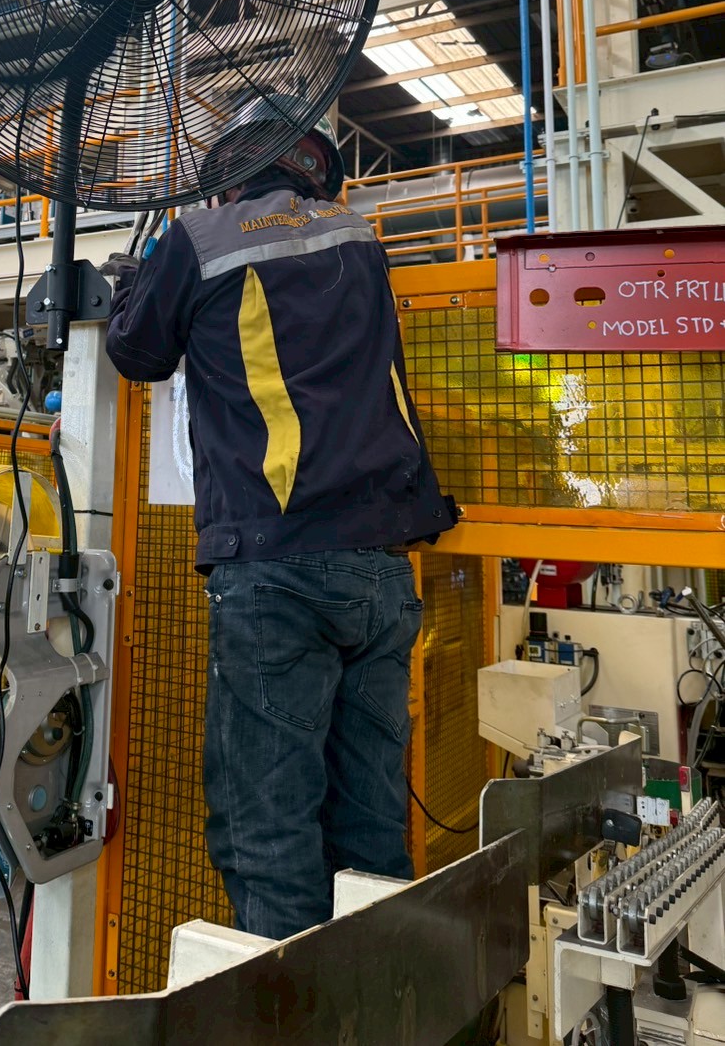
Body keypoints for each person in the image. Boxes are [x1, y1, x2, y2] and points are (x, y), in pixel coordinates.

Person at [103, 98, 456, 941]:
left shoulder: (201, 236)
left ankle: (289, 1002)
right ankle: (382, 996)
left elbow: (136, 351)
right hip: (380, 570)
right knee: (370, 822)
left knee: (267, 833)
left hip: (276, 567)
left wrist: (133, 284)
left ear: (229, 170)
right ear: (314, 167)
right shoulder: (359, 237)